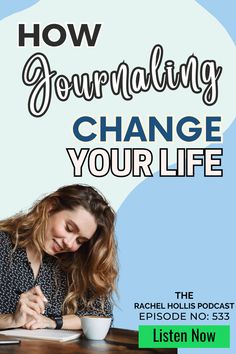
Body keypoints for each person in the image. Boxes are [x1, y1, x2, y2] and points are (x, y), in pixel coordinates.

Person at [0, 184, 117, 330]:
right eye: (69, 228)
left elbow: (102, 315)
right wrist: (11, 319)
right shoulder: (3, 244)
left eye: (80, 241)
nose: (69, 243)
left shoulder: (73, 263)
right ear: (50, 207)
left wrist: (52, 322)